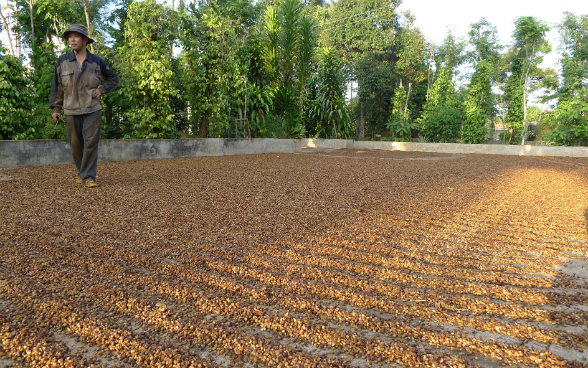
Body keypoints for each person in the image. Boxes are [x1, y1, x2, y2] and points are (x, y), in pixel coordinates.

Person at [49, 24, 119, 188]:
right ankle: (82, 172)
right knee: (75, 145)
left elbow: (113, 79)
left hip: (92, 109)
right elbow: (57, 87)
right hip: (71, 110)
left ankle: (88, 177)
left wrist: (101, 90)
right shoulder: (63, 61)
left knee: (90, 143)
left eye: (76, 36)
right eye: (70, 36)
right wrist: (56, 108)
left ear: (85, 40)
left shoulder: (97, 61)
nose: (72, 39)